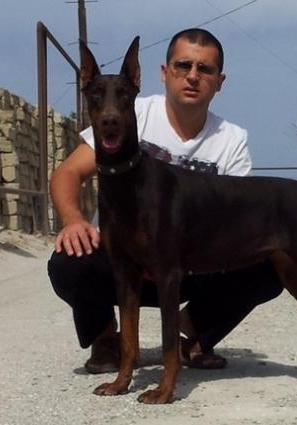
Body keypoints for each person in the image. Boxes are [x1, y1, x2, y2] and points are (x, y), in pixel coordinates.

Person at [47, 28, 283, 372]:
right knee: (69, 261)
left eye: (205, 69)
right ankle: (107, 340)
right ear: (164, 72)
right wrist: (73, 220)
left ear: (220, 81)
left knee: (270, 262)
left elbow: (234, 220)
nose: (193, 76)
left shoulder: (232, 140)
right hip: (120, 264)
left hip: (188, 267)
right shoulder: (128, 109)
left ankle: (194, 332)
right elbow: (67, 173)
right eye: (183, 65)